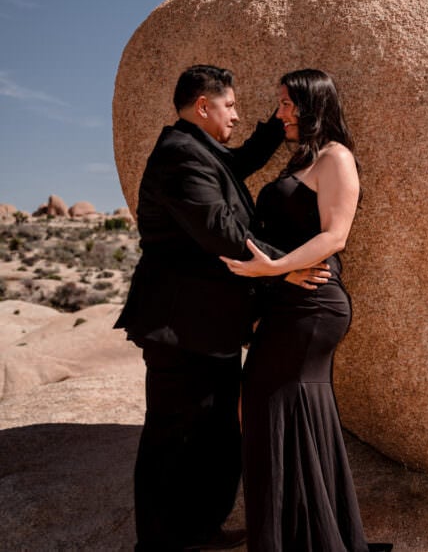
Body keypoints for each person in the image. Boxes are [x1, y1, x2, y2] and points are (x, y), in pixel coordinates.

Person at [116, 65, 329, 551]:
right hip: (178, 326)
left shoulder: (202, 152)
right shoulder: (178, 157)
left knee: (213, 438)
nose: (235, 115)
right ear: (203, 107)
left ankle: (201, 530)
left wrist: (281, 121)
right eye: (229, 106)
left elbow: (242, 160)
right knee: (172, 440)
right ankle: (160, 543)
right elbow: (218, 229)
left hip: (210, 326)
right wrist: (283, 265)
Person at [220, 69, 389, 552]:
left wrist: (271, 268)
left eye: (288, 105)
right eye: (280, 103)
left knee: (268, 410)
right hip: (286, 302)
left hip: (312, 305)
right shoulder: (301, 159)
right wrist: (274, 275)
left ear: (315, 105)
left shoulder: (336, 157)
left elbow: (336, 235)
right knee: (276, 414)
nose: (280, 113)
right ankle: (309, 537)